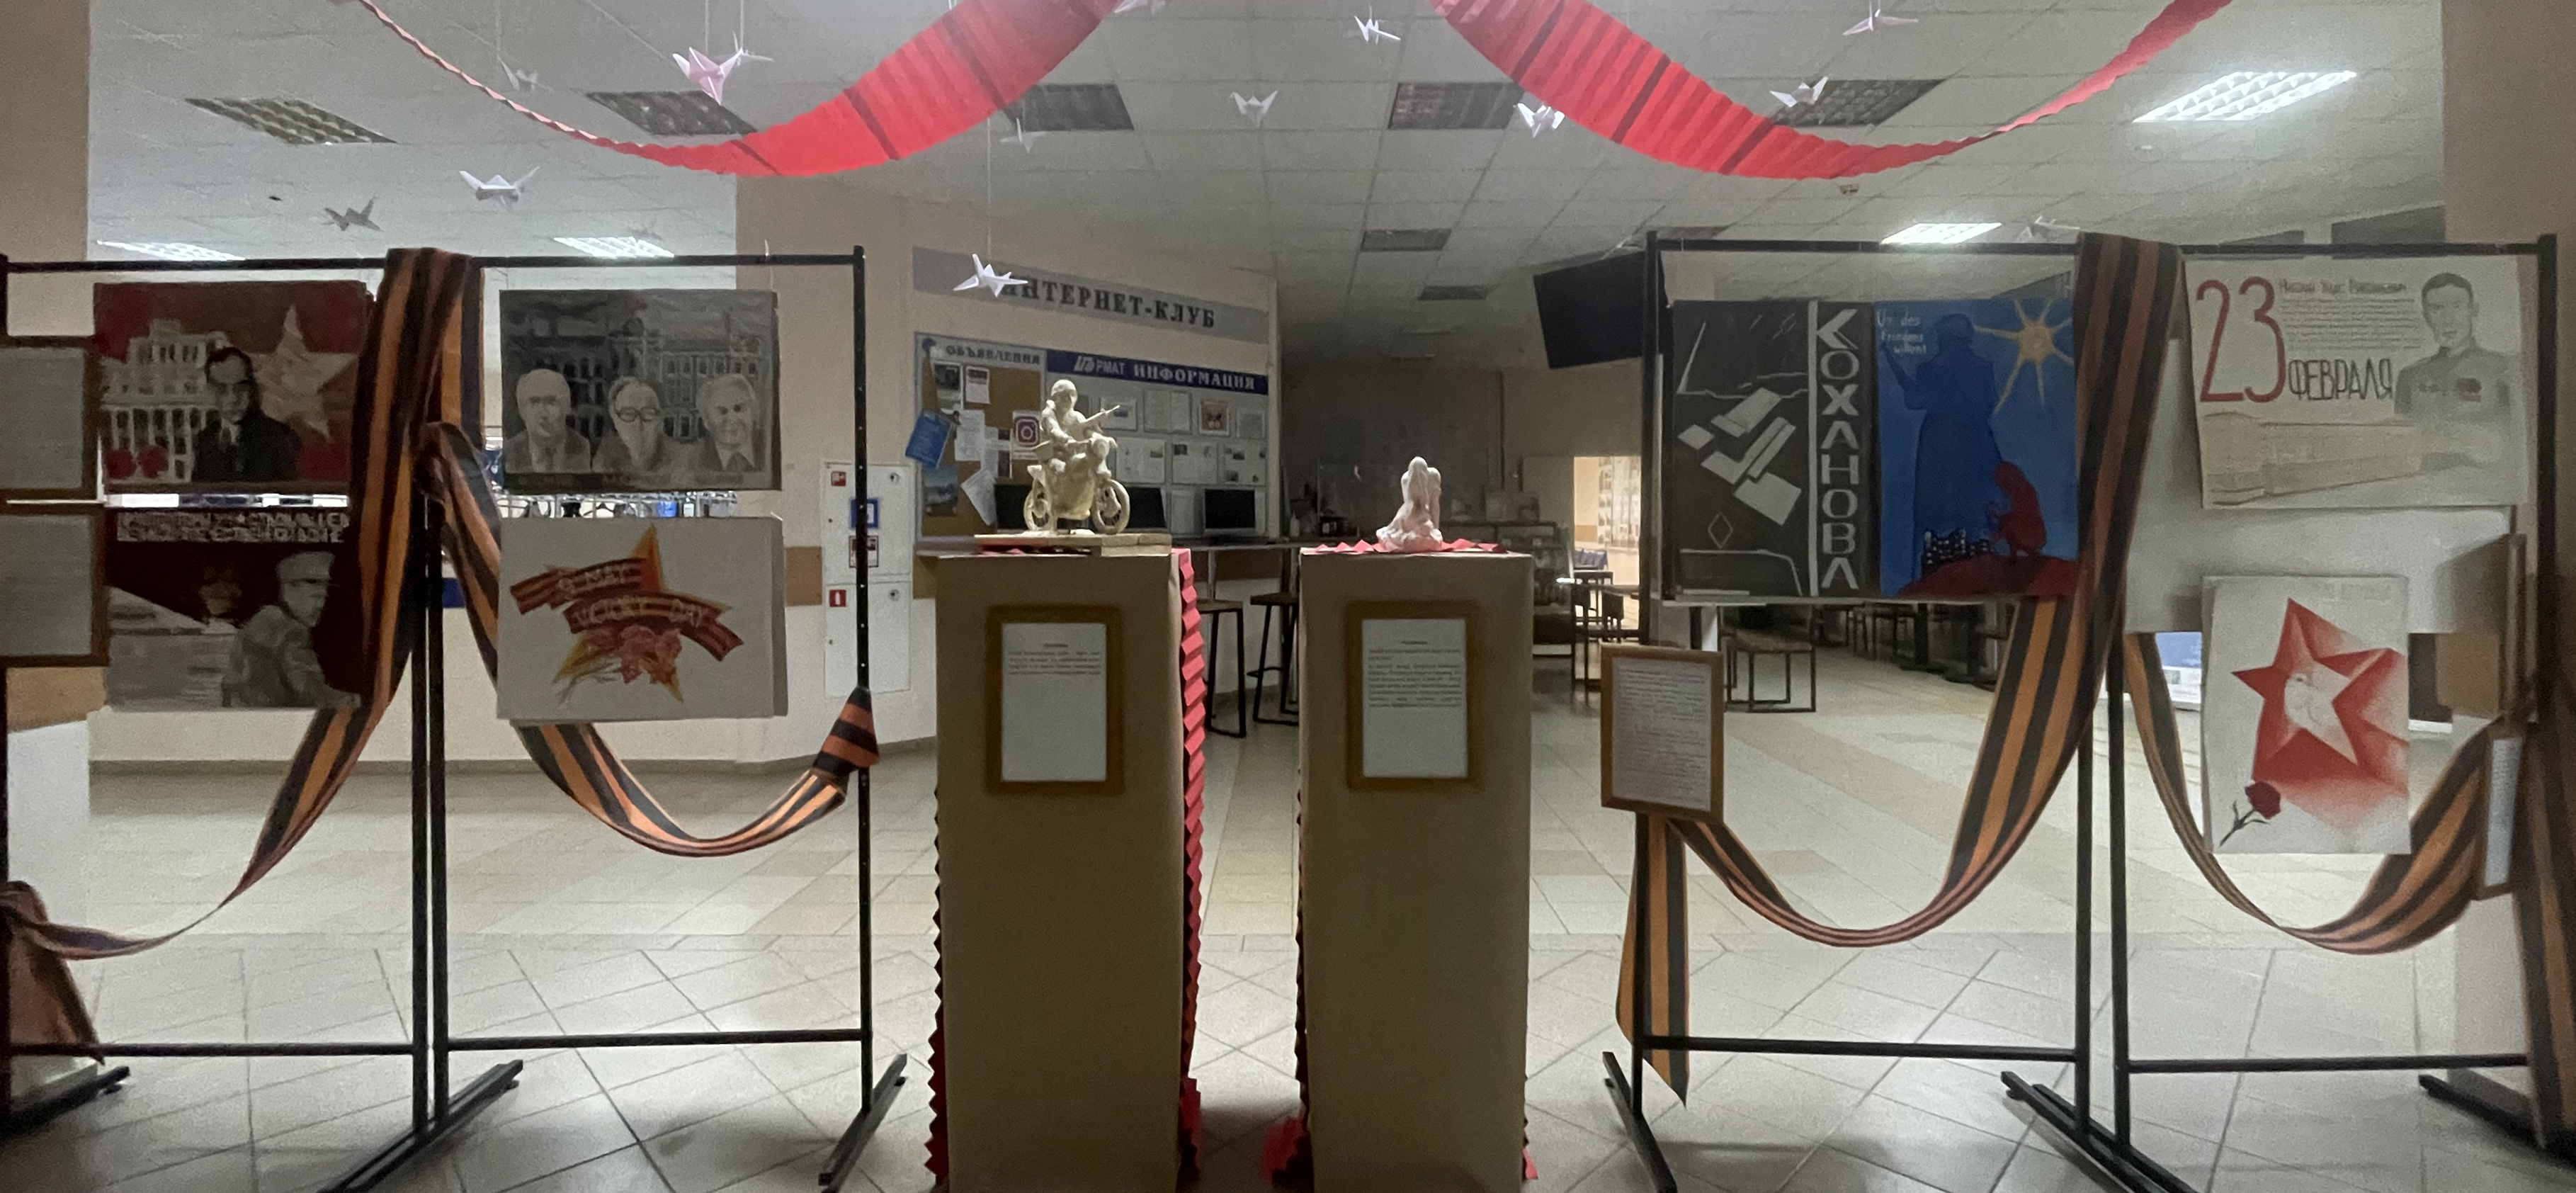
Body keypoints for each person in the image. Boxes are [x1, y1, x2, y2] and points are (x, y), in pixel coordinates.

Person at [1880, 315, 2004, 578]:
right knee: (1978, 509)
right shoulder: (1982, 367)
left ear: (1948, 339)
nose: (1938, 343)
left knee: (1940, 512)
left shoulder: (1931, 369)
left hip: (1940, 447)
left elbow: (1915, 401)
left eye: (1941, 338)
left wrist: (1911, 386)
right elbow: (1989, 403)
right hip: (1977, 443)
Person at [222, 550, 358, 708]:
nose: (321, 606)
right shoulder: (291, 631)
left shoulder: (263, 620)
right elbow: (311, 690)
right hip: (273, 716)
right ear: (288, 590)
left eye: (325, 599)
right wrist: (356, 701)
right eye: (315, 597)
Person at [2395, 273, 2519, 426]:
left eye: (2457, 307)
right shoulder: (2410, 376)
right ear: (2426, 316)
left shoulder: (2503, 369)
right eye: (2437, 309)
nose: (2448, 319)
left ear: (2473, 310)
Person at [192, 346, 302, 485]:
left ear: (252, 388)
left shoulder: (280, 438)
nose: (233, 399)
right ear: (210, 392)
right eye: (222, 389)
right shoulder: (206, 440)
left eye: (240, 388)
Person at [590, 377, 686, 484]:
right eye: (628, 414)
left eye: (648, 413)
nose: (638, 424)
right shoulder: (605, 461)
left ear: (660, 420)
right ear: (615, 418)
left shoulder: (681, 462)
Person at [501, 368, 594, 475]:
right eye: (535, 403)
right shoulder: (508, 452)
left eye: (551, 402)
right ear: (522, 410)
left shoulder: (587, 448)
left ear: (567, 407)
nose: (543, 414)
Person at [687, 373, 767, 478]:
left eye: (738, 409)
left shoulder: (772, 449)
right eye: (722, 411)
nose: (731, 419)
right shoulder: (690, 462)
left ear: (754, 412)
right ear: (706, 421)